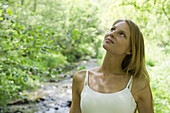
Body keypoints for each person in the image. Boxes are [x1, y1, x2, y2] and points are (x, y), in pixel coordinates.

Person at [69, 19, 154, 113]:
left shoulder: (138, 84)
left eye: (122, 34)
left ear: (130, 50)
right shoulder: (81, 78)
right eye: (112, 29)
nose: (112, 34)